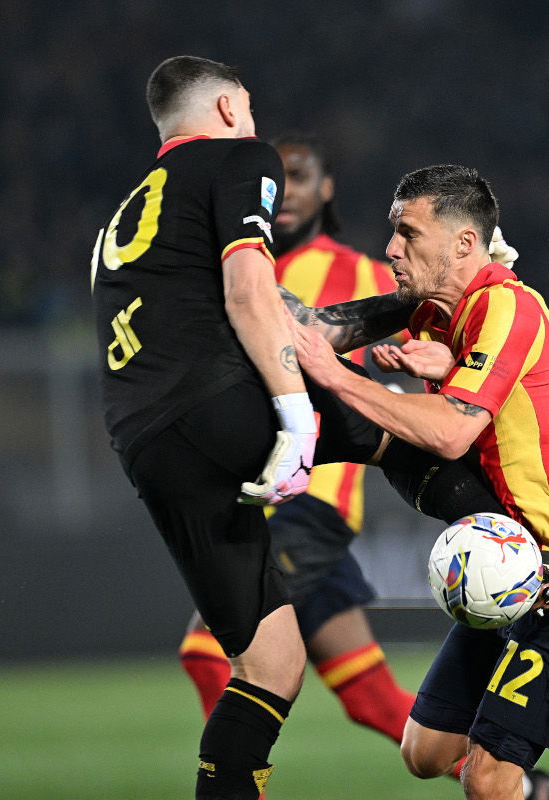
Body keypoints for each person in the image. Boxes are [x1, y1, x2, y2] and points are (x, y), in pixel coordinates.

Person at [92, 57, 506, 800]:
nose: (256, 127)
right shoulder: (238, 158)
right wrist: (291, 416)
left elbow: (305, 325)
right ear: (226, 110)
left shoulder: (126, 220)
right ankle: (536, 563)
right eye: (248, 109)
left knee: (269, 664)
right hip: (223, 407)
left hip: (149, 447)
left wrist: (414, 303)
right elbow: (251, 293)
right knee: (399, 432)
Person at [291, 164, 549, 800]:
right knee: (424, 753)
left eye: (408, 233)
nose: (391, 249)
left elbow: (451, 433)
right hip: (514, 570)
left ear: (462, 243)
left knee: (488, 780)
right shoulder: (435, 314)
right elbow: (323, 329)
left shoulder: (508, 304)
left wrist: (340, 377)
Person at [176, 132, 418, 766]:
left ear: (326, 188)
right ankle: (521, 784)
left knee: (208, 656)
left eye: (302, 177)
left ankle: (232, 781)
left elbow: (415, 334)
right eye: (276, 181)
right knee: (371, 697)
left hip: (305, 503)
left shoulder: (364, 273)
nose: (287, 193)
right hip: (259, 491)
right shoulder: (243, 273)